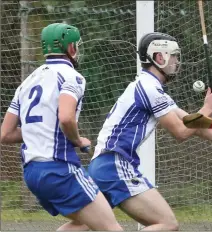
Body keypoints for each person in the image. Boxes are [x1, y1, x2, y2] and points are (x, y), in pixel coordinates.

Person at [84, 32, 212, 231]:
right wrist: (207, 108)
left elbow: (195, 125)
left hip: (102, 166)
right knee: (167, 224)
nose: (177, 61)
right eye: (174, 55)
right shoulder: (149, 88)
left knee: (80, 225)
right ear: (159, 57)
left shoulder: (151, 88)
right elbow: (181, 132)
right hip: (114, 165)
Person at [0, 23, 123, 231]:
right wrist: (77, 140)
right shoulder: (71, 76)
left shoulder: (27, 82)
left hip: (32, 172)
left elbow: (6, 133)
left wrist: (40, 129)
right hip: (58, 168)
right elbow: (66, 118)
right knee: (112, 228)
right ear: (71, 48)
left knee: (84, 223)